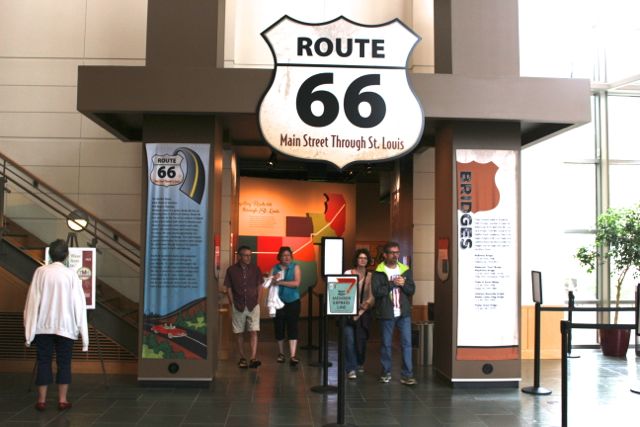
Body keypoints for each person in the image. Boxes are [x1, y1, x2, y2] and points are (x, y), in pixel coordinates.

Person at [23, 239, 89, 411]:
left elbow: (32, 302)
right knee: (64, 363)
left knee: (43, 361)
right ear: (66, 255)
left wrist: (29, 332)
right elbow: (79, 305)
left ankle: (42, 400)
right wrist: (84, 337)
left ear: (50, 255)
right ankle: (62, 400)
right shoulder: (71, 275)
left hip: (43, 326)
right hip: (66, 327)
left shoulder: (40, 271)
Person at [371, 241, 417, 385]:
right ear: (385, 255)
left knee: (407, 344)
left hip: (404, 313)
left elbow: (412, 290)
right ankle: (386, 373)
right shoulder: (378, 271)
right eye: (392, 253)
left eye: (397, 252)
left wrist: (404, 284)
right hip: (387, 313)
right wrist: (393, 284)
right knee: (386, 344)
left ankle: (407, 375)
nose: (395, 255)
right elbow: (377, 292)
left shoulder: (405, 270)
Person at [224, 245, 263, 369]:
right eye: (245, 255)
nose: (248, 257)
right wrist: (232, 302)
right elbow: (228, 287)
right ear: (239, 256)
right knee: (239, 332)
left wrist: (258, 300)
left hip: (253, 304)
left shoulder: (255, 269)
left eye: (249, 255)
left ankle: (253, 358)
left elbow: (259, 285)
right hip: (238, 304)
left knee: (253, 331)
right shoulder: (231, 270)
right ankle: (242, 358)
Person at [344, 248, 375, 379]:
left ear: (368, 261)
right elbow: (343, 292)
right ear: (356, 259)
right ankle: (351, 368)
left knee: (361, 341)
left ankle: (359, 362)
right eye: (360, 258)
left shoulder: (371, 276)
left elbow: (372, 296)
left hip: (364, 313)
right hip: (348, 312)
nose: (362, 260)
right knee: (349, 340)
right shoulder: (348, 273)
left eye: (365, 258)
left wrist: (366, 305)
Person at [270, 246, 302, 366]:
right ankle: (281, 353)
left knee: (293, 326)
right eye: (284, 255)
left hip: (293, 301)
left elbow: (296, 283)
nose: (286, 257)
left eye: (288, 255)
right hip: (278, 302)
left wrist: (280, 282)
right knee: (279, 327)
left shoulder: (296, 267)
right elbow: (270, 283)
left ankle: (293, 355)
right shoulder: (275, 268)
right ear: (280, 257)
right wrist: (273, 279)